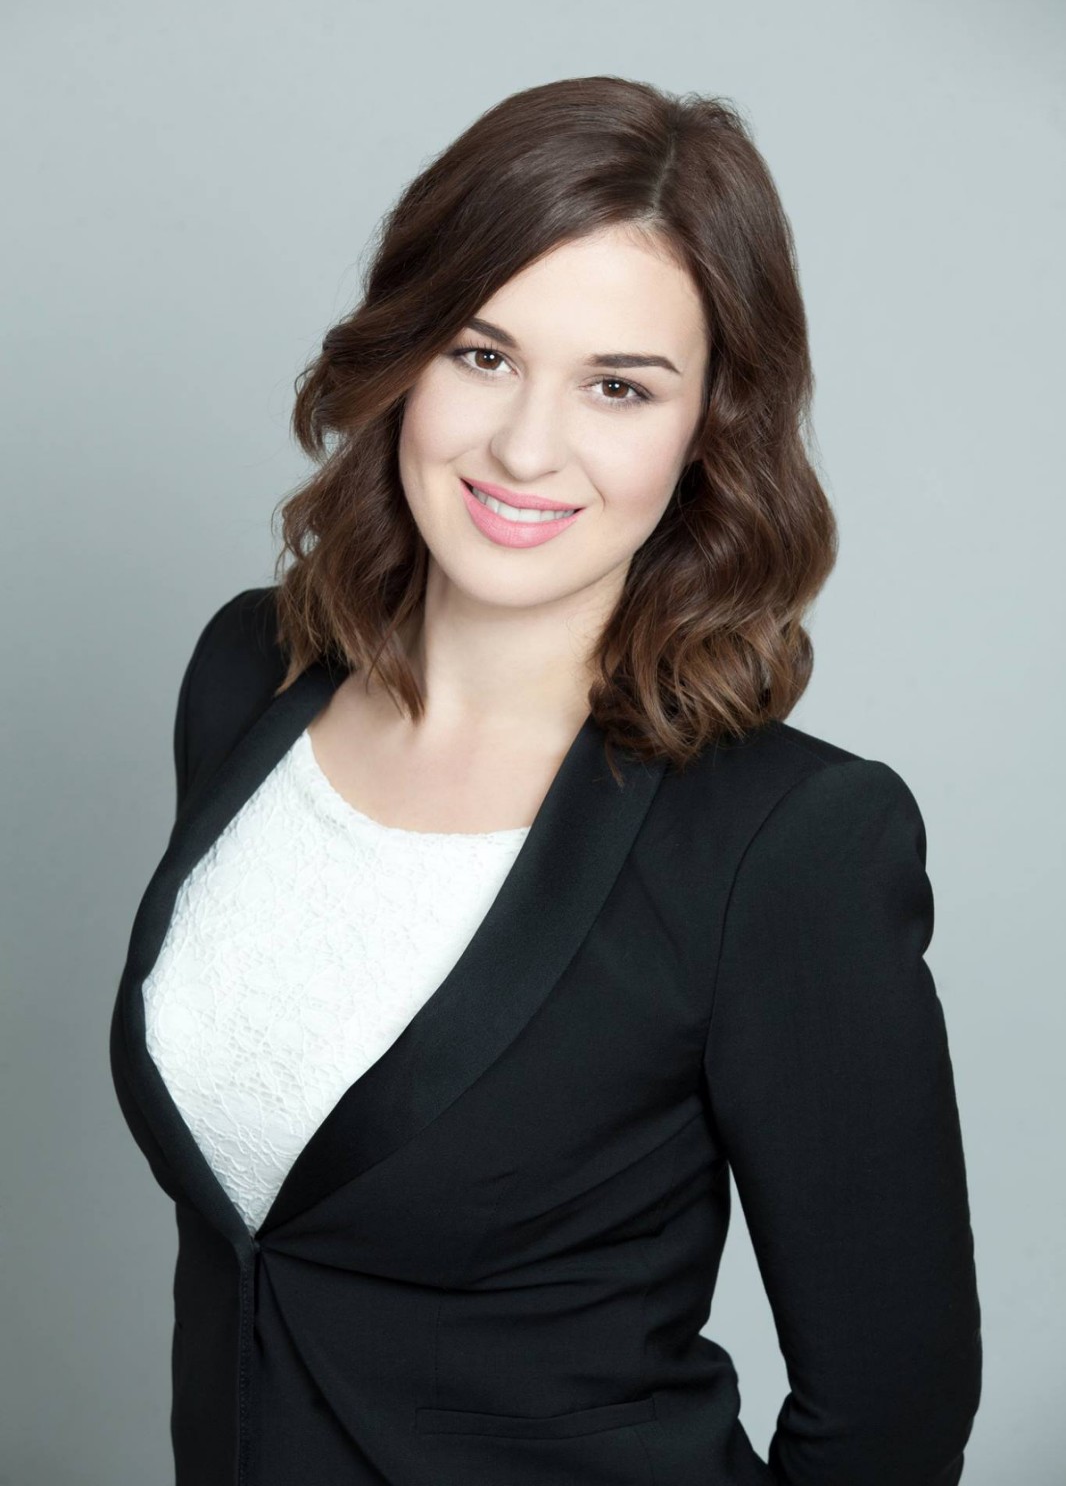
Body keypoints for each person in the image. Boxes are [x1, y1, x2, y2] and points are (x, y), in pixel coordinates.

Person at [109, 74, 982, 1486]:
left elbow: (892, 1406)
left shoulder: (789, 846)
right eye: (482, 353)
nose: (524, 447)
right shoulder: (246, 677)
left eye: (618, 386)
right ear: (405, 354)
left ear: (711, 426)